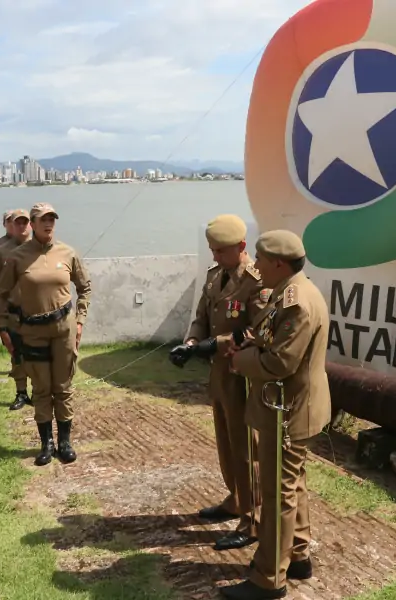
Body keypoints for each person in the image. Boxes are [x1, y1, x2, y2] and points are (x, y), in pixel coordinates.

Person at [221, 230, 331, 600]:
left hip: (288, 412)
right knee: (292, 483)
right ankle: (297, 554)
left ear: (279, 263)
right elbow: (273, 339)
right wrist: (252, 342)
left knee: (276, 493)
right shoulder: (288, 293)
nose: (256, 265)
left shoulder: (297, 301)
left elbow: (281, 361)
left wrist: (239, 361)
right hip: (289, 408)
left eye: (261, 259)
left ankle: (269, 577)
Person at [173, 214, 266, 551]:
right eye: (212, 250)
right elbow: (202, 317)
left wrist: (218, 344)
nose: (214, 256)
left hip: (244, 376)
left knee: (247, 449)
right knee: (226, 445)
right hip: (220, 375)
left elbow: (259, 331)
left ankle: (253, 520)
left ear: (242, 247)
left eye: (221, 251)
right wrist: (191, 344)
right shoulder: (216, 277)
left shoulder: (257, 282)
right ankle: (237, 498)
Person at [0, 203, 91, 467]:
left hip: (63, 330)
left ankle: (65, 442)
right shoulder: (18, 257)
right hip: (32, 331)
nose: (48, 224)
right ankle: (46, 444)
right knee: (42, 388)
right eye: (42, 220)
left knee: (63, 387)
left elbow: (85, 288)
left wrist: (80, 320)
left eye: (52, 219)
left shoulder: (67, 253)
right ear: (32, 224)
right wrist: (4, 327)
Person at [0, 208, 32, 411]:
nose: (20, 226)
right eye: (16, 222)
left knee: (38, 355)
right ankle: (21, 392)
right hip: (13, 312)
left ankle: (40, 392)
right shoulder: (1, 251)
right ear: (10, 225)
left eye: (24, 222)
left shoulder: (37, 248)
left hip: (38, 312)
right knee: (17, 354)